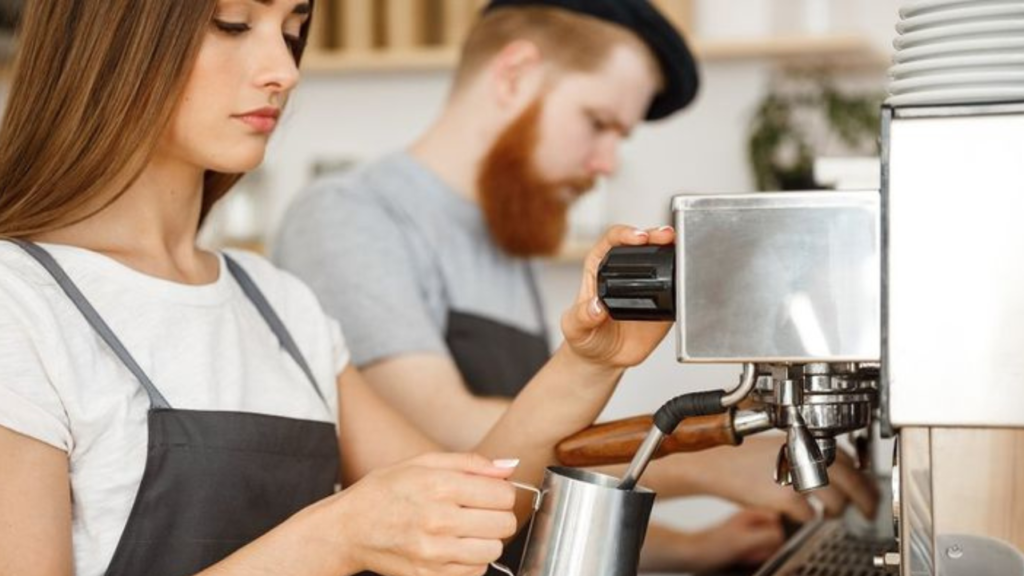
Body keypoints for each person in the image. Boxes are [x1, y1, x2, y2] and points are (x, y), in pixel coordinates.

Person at [0, 2, 679, 576]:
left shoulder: (276, 302)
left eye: (292, 29)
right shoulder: (21, 302)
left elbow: (476, 501)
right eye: (234, 23)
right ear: (112, 38)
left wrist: (594, 359)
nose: (285, 71)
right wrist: (334, 535)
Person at [274, 1, 879, 572]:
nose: (608, 162)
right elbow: (460, 450)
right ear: (514, 74)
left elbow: (525, 507)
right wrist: (706, 456)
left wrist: (695, 548)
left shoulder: (504, 239)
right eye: (598, 123)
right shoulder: (348, 217)